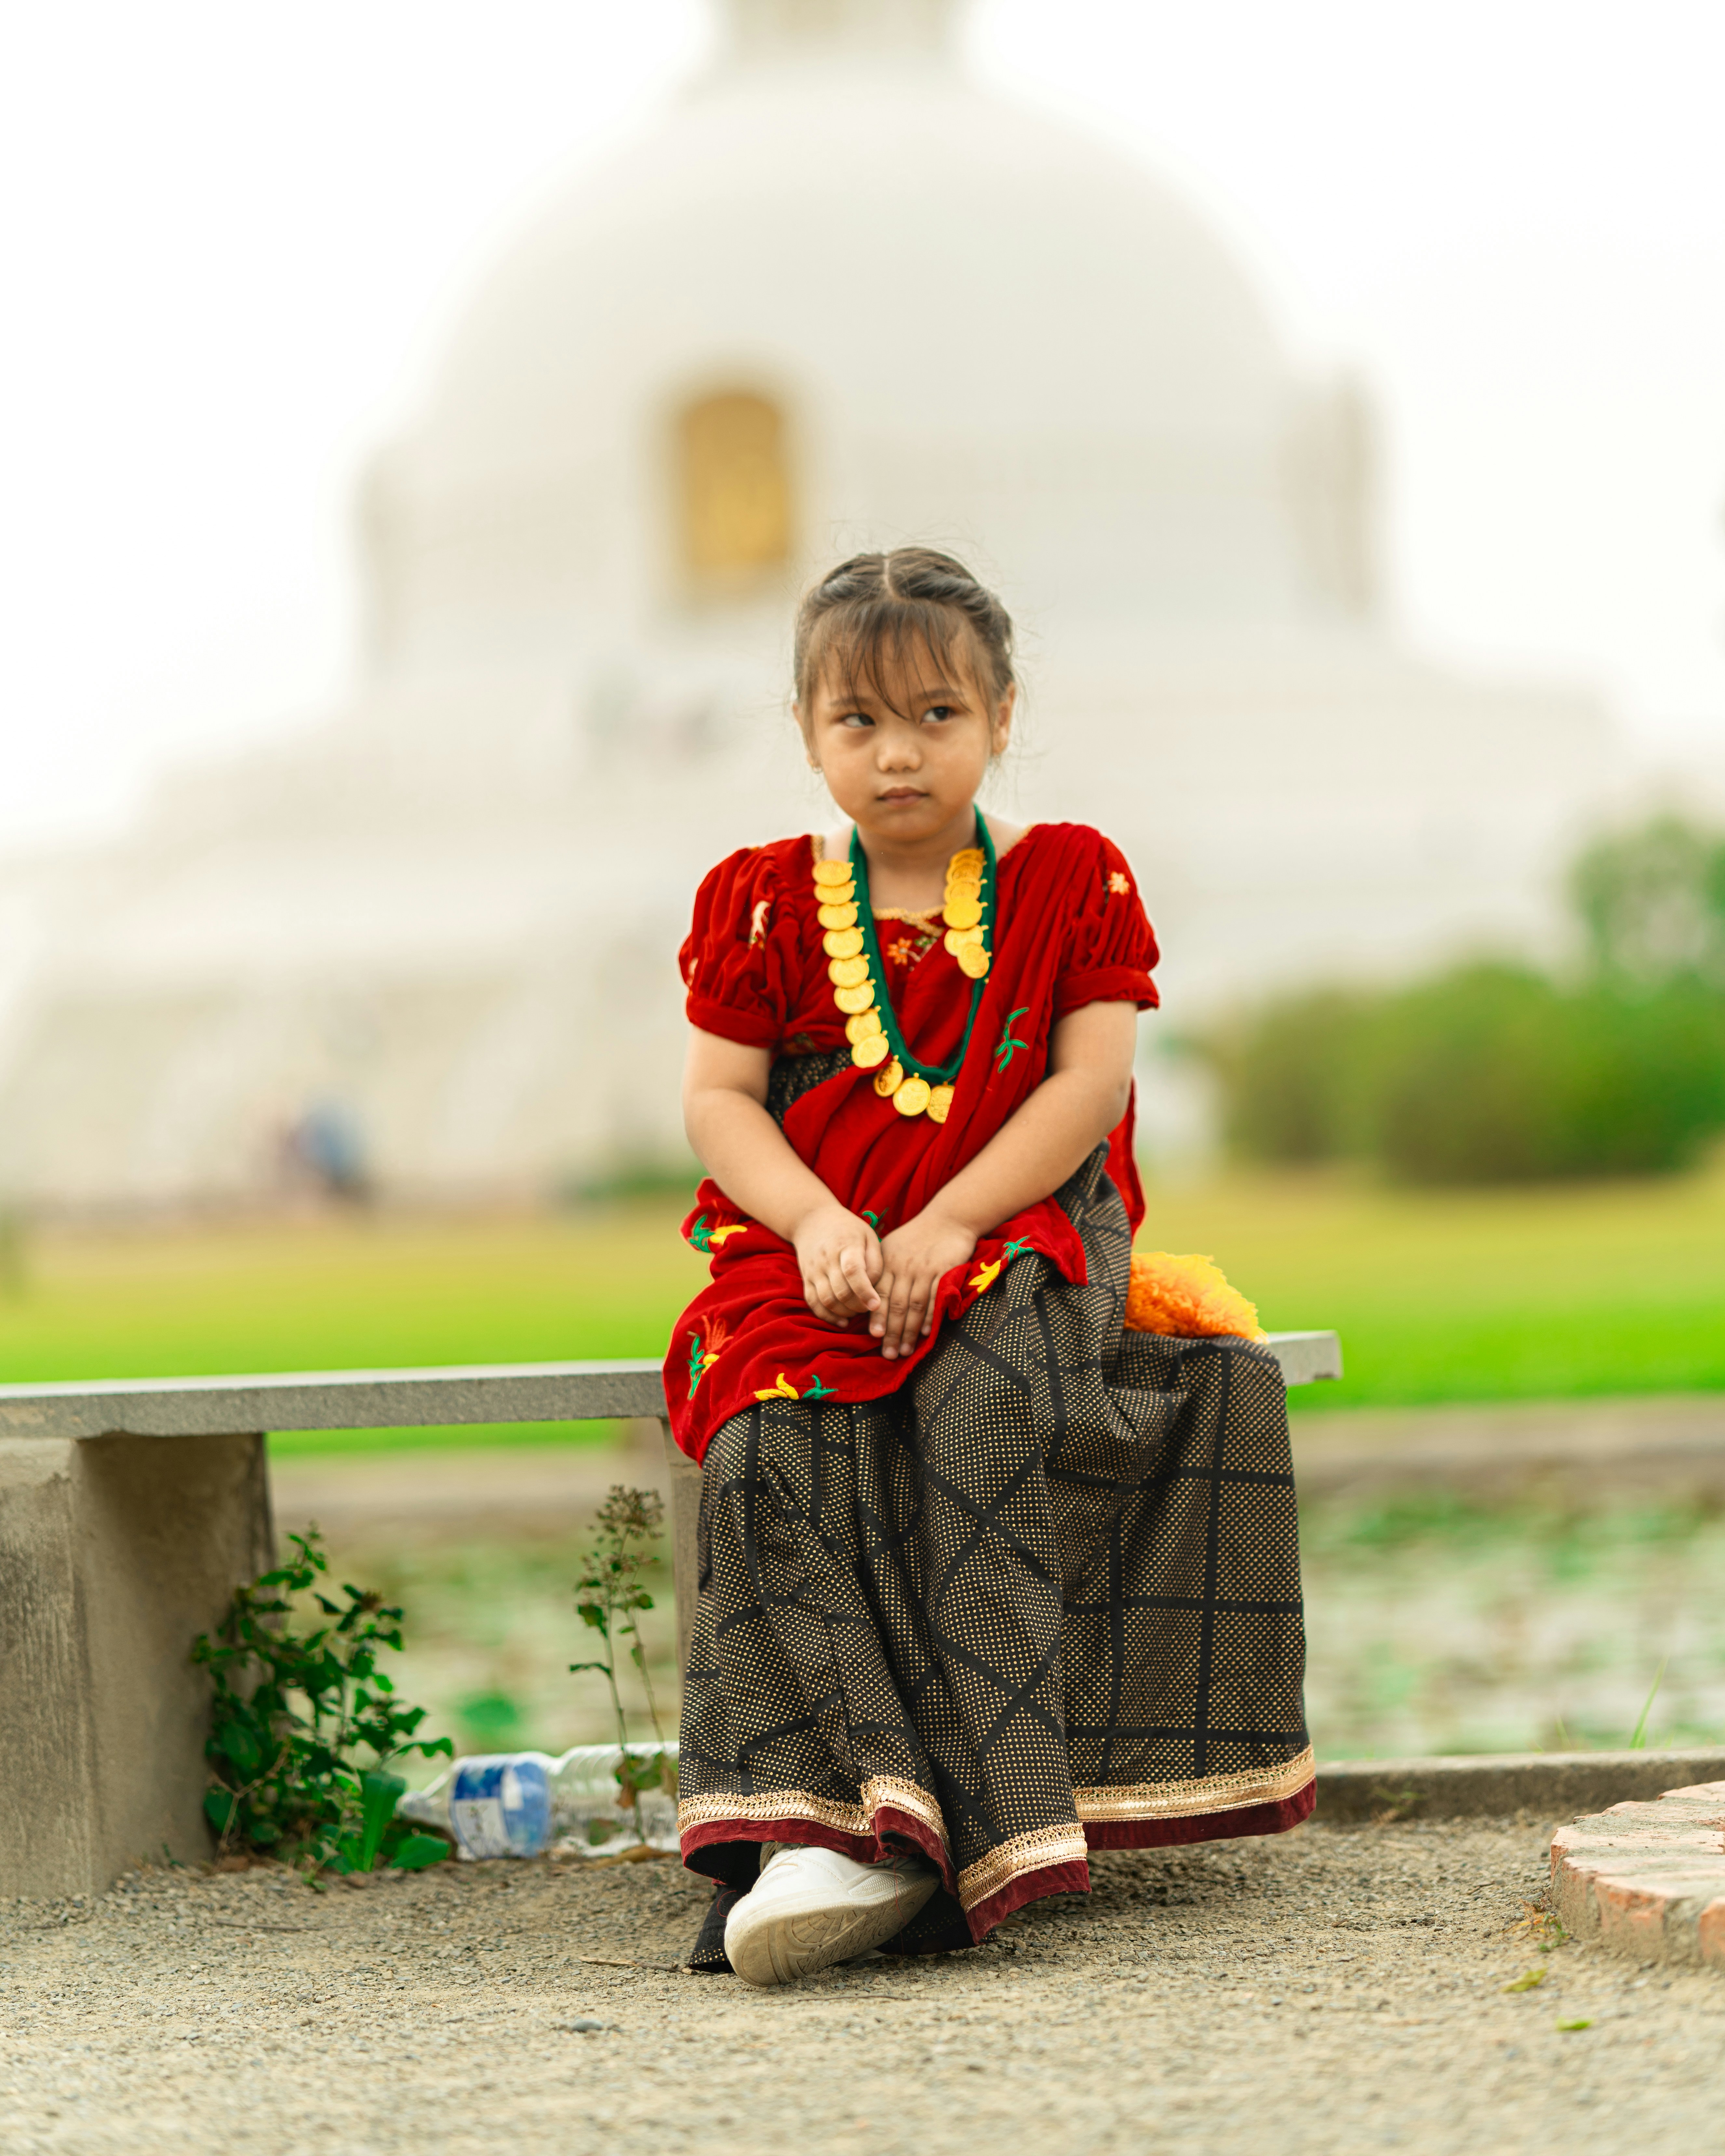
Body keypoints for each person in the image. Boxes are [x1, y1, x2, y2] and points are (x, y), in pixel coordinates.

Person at [665, 548, 1311, 1986]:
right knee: (767, 1435)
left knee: (984, 1406)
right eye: (859, 721)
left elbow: (1087, 1082)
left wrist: (950, 1225)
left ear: (1004, 715)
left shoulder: (1069, 877)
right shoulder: (761, 900)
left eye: (939, 713)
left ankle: (969, 1827)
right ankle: (822, 1826)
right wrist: (826, 1225)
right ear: (806, 730)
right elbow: (720, 1101)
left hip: (1019, 1227)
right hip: (805, 1241)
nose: (899, 751)